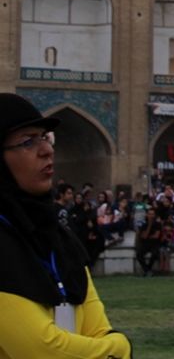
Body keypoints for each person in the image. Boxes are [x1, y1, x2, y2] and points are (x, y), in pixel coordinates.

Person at [0, 93, 132, 357]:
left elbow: (101, 330)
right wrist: (118, 349)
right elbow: (41, 349)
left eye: (45, 138)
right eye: (27, 142)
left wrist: (114, 346)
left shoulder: (59, 238)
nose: (47, 150)